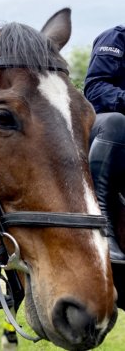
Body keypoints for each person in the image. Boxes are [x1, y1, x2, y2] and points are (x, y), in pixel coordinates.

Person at [84, 25, 125, 262]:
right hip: (105, 125)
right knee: (117, 123)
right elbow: (95, 89)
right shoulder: (116, 38)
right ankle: (101, 221)